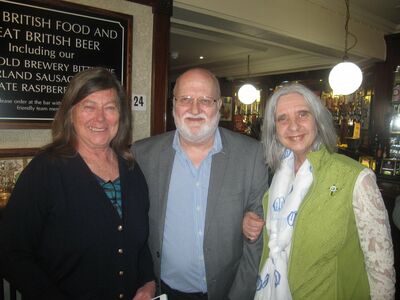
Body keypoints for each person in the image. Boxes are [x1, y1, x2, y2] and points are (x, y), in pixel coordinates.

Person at [0, 68, 156, 300]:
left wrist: (147, 281)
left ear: (121, 116)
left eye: (110, 107)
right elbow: (11, 253)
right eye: (89, 106)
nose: (100, 118)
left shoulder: (131, 168)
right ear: (70, 113)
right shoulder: (45, 170)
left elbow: (139, 241)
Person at [243, 83, 395, 300]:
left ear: (318, 121)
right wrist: (250, 223)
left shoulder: (355, 178)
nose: (293, 126)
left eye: (302, 114)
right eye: (282, 118)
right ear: (274, 129)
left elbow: (382, 270)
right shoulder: (272, 176)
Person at [133, 68, 269, 300]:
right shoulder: (143, 154)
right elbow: (134, 227)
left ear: (219, 106)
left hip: (223, 292)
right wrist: (145, 281)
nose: (194, 109)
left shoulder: (252, 155)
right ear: (173, 104)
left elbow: (257, 240)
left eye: (205, 100)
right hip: (162, 289)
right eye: (185, 99)